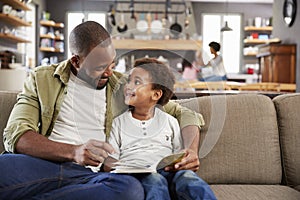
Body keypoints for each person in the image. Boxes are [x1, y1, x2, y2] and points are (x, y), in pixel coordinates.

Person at [0, 21, 204, 199]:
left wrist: (191, 151)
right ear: (76, 61)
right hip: (42, 165)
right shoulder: (42, 78)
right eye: (99, 67)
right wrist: (74, 152)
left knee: (130, 190)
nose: (109, 72)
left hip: (93, 175)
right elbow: (17, 134)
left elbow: (184, 113)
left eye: (112, 63)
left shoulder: (124, 86)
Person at [105, 57, 216, 200]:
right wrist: (123, 168)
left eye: (137, 82)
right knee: (154, 182)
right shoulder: (118, 123)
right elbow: (110, 161)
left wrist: (181, 160)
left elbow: (178, 153)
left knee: (189, 179)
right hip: (138, 173)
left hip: (168, 170)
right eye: (129, 81)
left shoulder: (170, 121)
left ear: (156, 94)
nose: (128, 86)